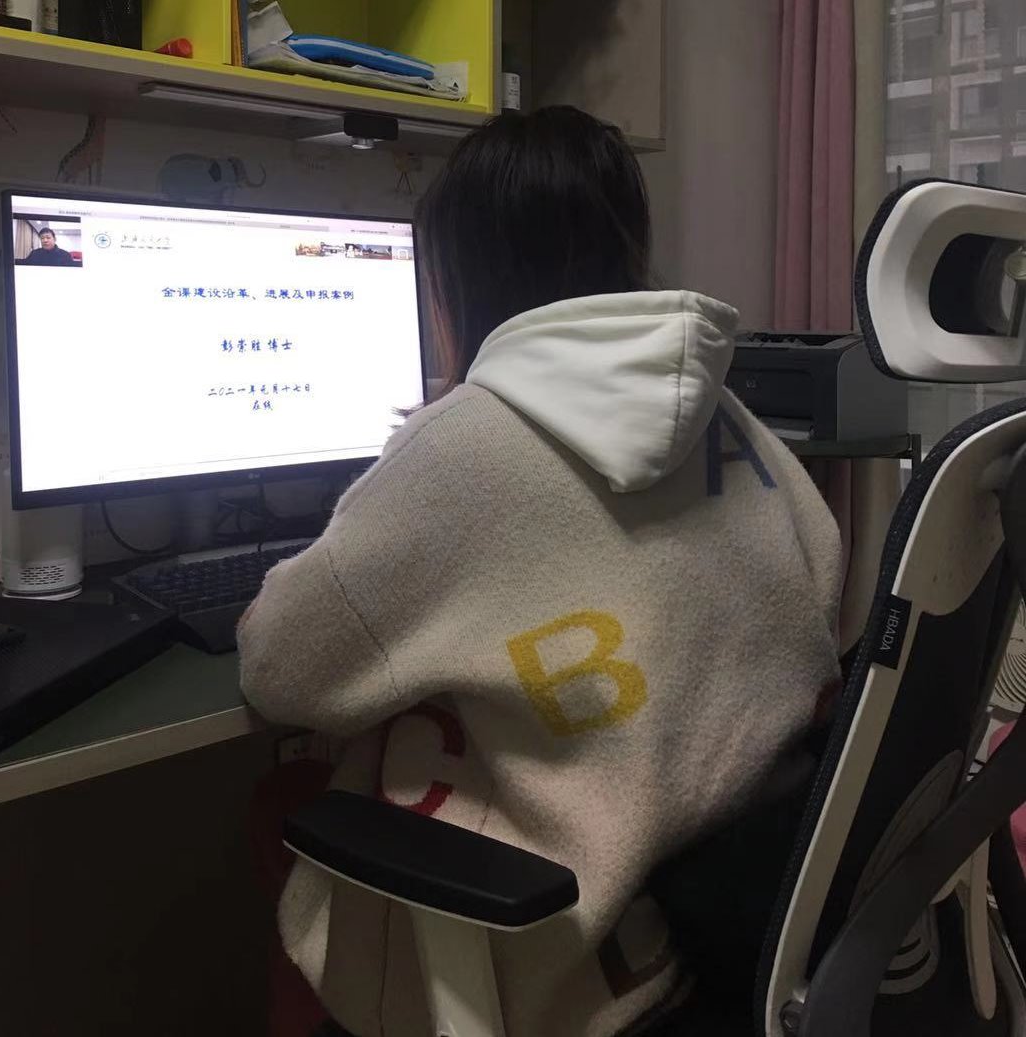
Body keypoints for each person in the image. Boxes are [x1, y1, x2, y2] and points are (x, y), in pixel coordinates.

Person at [238, 106, 842, 1037]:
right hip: (751, 892)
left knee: (283, 803)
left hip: (572, 943)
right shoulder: (723, 410)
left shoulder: (465, 445)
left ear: (460, 279)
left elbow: (279, 669)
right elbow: (822, 570)